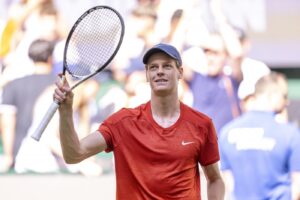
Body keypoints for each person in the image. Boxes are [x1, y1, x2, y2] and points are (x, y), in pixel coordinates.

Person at [54, 43, 225, 199]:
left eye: (167, 66)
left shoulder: (201, 124)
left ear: (180, 72)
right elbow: (73, 155)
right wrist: (66, 110)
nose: (159, 71)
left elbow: (215, 180)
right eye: (153, 67)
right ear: (147, 75)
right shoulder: (122, 122)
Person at [219, 72, 300, 200]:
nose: (287, 102)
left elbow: (228, 183)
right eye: (284, 96)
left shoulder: (226, 133)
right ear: (273, 96)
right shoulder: (289, 134)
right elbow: (297, 187)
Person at [0, 39, 56, 172]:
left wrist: (9, 156)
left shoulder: (13, 85)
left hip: (20, 158)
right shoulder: (62, 85)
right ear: (50, 58)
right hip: (56, 158)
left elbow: (7, 124)